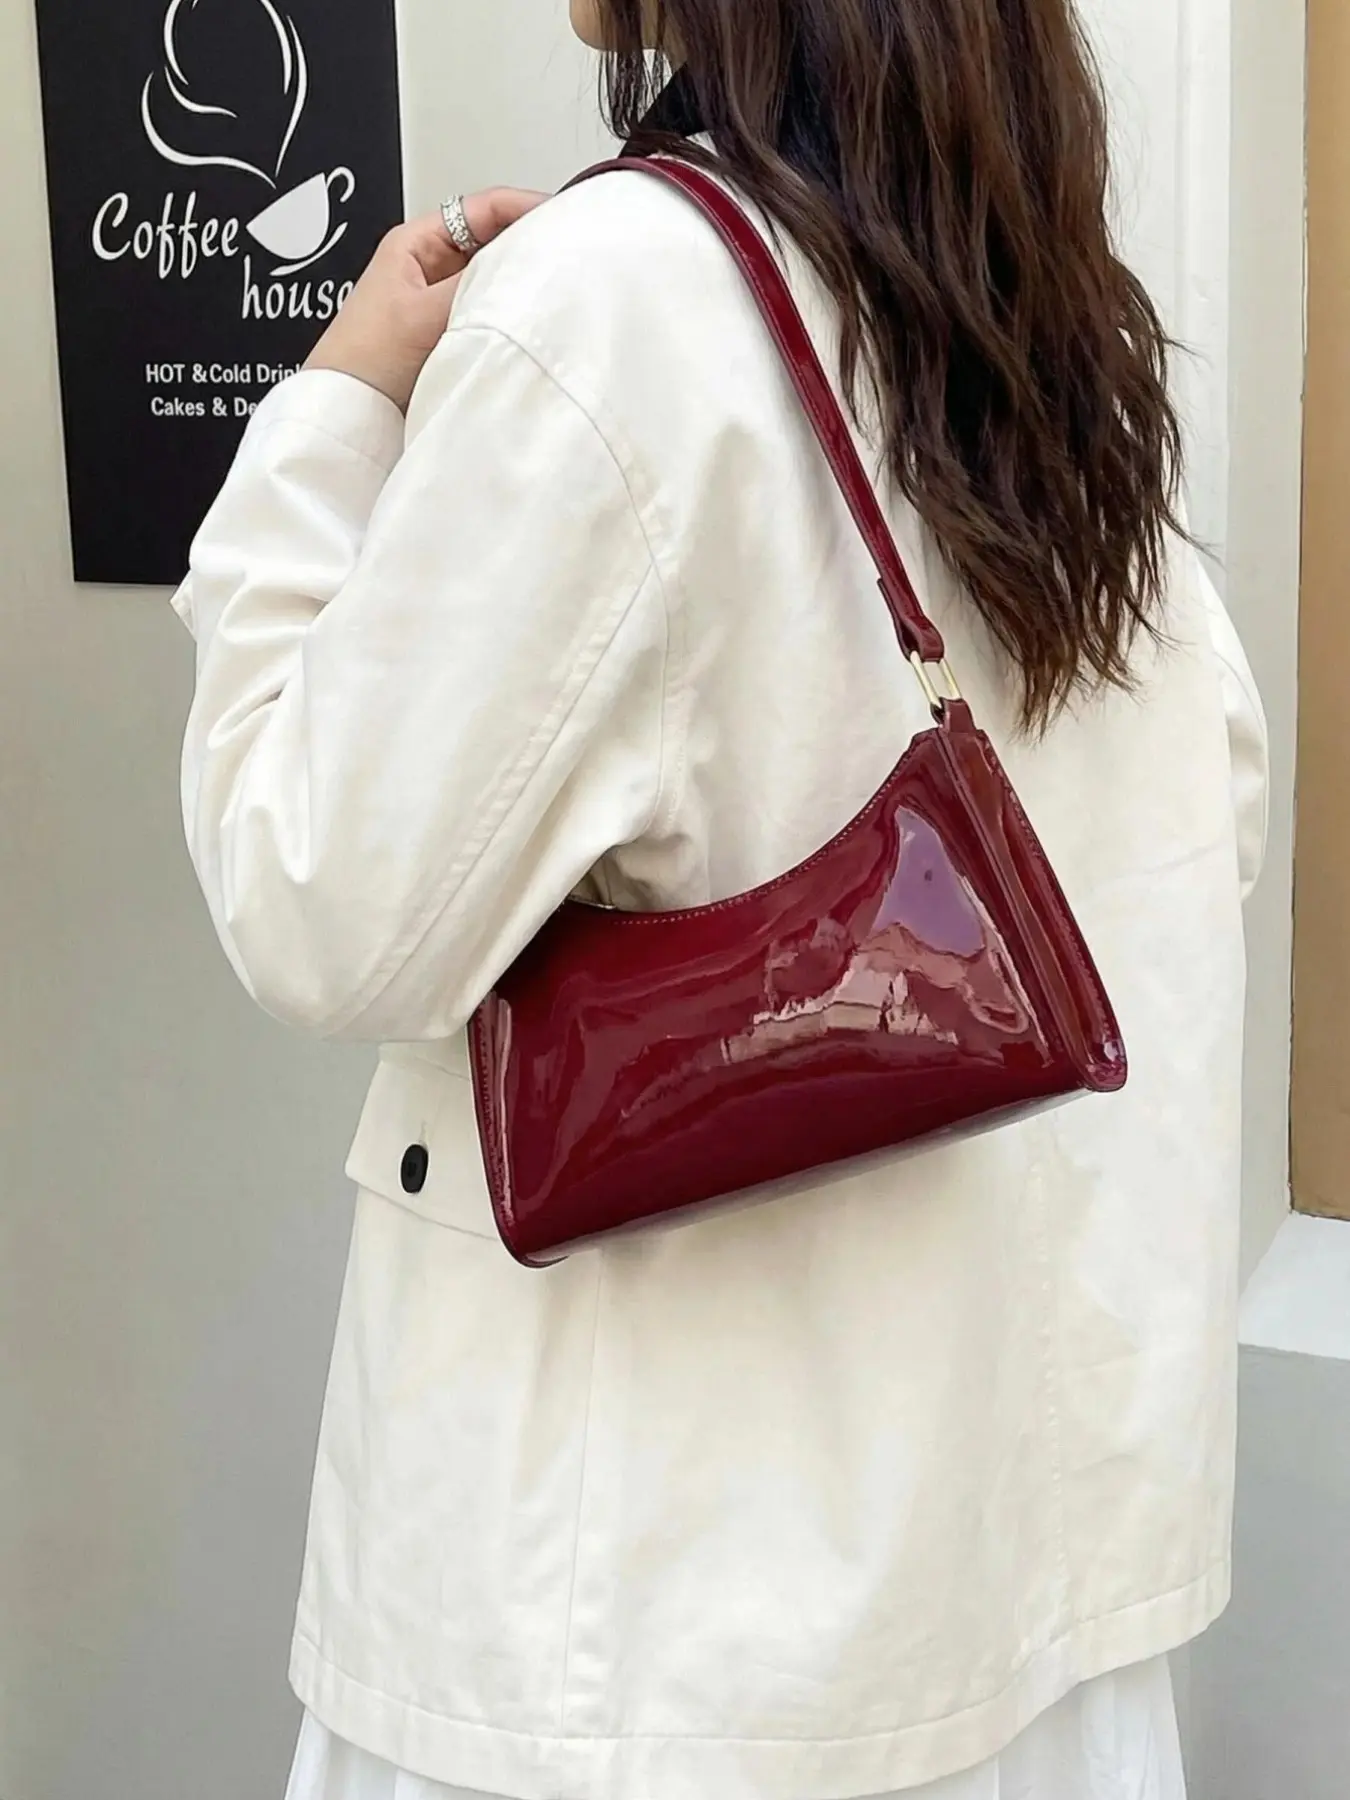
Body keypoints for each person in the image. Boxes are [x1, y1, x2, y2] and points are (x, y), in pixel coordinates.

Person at [173, 1, 1269, 1796]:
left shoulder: (611, 307)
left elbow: (318, 903)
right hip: (1018, 1596)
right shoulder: (1043, 314)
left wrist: (337, 408)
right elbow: (1191, 826)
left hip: (655, 1654)